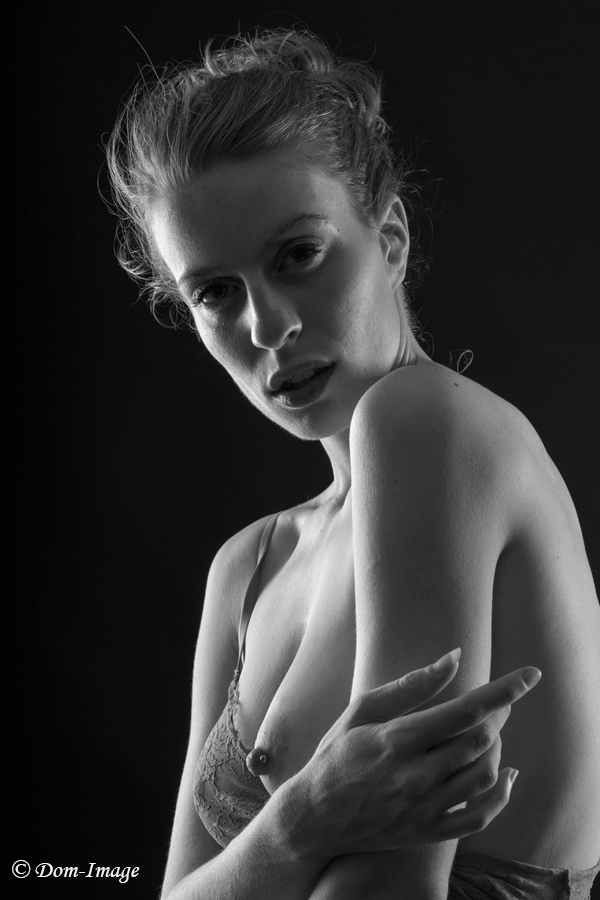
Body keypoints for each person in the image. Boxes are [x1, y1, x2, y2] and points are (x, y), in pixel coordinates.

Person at [106, 27, 600, 900]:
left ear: (392, 238)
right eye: (214, 293)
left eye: (298, 255)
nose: (268, 327)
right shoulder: (248, 568)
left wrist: (272, 855)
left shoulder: (428, 421)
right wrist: (305, 820)